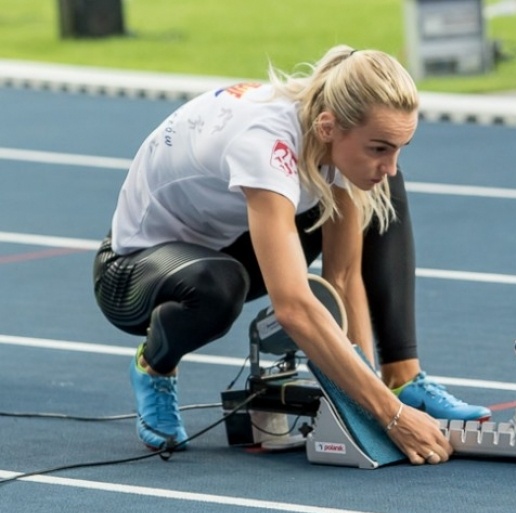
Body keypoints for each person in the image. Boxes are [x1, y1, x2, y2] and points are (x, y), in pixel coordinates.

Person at [92, 45, 490, 465]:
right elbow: (294, 307)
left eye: (400, 147)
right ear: (328, 126)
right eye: (380, 148)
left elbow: (342, 277)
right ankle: (155, 366)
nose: (390, 162)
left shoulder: (329, 125)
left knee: (382, 189)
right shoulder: (265, 145)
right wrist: (390, 418)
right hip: (132, 273)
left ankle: (402, 378)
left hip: (223, 244)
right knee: (219, 285)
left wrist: (370, 401)